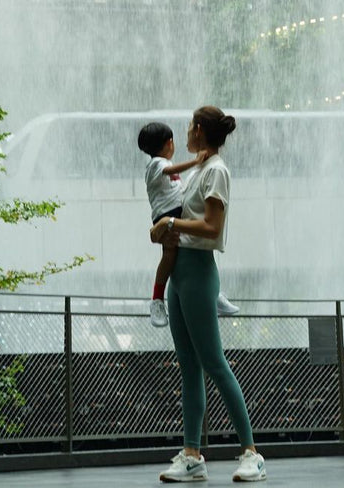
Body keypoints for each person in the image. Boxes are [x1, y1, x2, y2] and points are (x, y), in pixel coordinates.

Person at [150, 106, 266, 483]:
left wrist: (169, 222)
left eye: (189, 126)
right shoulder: (202, 167)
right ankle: (191, 454)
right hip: (181, 273)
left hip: (198, 271)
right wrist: (166, 228)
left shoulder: (216, 171)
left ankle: (251, 453)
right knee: (189, 366)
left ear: (199, 130)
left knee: (214, 363)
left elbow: (212, 227)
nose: (185, 131)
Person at [139, 121, 241, 328]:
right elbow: (171, 171)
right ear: (169, 143)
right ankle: (157, 300)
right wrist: (194, 162)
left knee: (199, 243)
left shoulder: (169, 165)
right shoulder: (157, 164)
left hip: (176, 212)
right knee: (169, 255)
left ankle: (212, 294)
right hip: (166, 215)